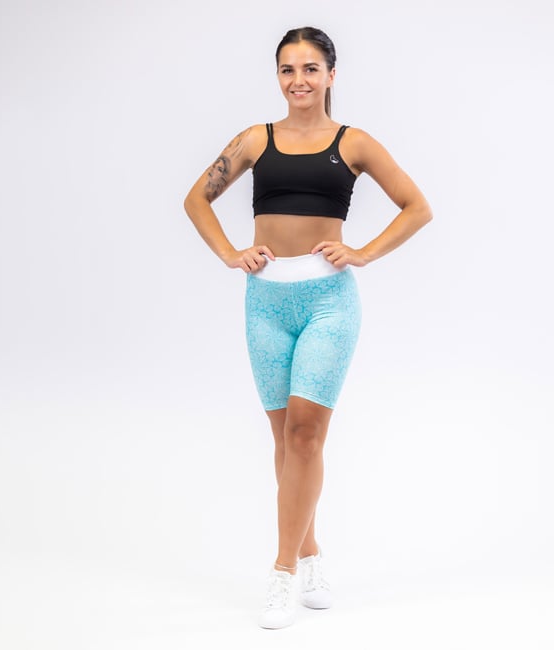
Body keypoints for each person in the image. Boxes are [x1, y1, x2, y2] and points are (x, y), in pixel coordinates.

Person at [183, 26, 432, 629]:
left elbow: (417, 207)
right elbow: (196, 199)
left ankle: (282, 570)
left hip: (327, 303)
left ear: (331, 75)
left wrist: (364, 253)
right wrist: (229, 253)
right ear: (278, 76)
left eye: (311, 68)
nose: (299, 80)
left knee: (305, 436)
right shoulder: (254, 140)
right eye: (288, 69)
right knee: (285, 441)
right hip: (265, 302)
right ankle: (312, 553)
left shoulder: (354, 143)